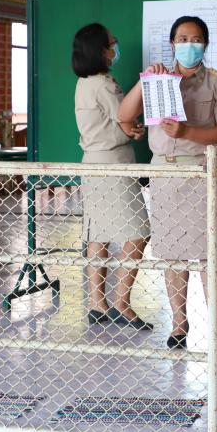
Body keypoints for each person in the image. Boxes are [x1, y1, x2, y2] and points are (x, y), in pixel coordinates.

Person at [118, 16, 217, 350]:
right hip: (164, 174)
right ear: (172, 44)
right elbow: (124, 116)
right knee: (172, 254)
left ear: (206, 44)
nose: (189, 45)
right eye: (183, 39)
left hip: (202, 172)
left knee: (208, 254)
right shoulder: (158, 80)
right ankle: (179, 323)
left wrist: (188, 132)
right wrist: (145, 81)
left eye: (196, 39)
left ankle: (215, 326)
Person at [72, 23, 151, 330]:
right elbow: (125, 119)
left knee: (99, 232)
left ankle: (97, 303)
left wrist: (128, 129)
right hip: (113, 164)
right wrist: (133, 130)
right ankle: (121, 302)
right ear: (100, 50)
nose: (116, 47)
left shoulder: (84, 83)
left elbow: (118, 123)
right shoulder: (104, 85)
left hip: (93, 163)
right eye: (112, 43)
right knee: (139, 231)